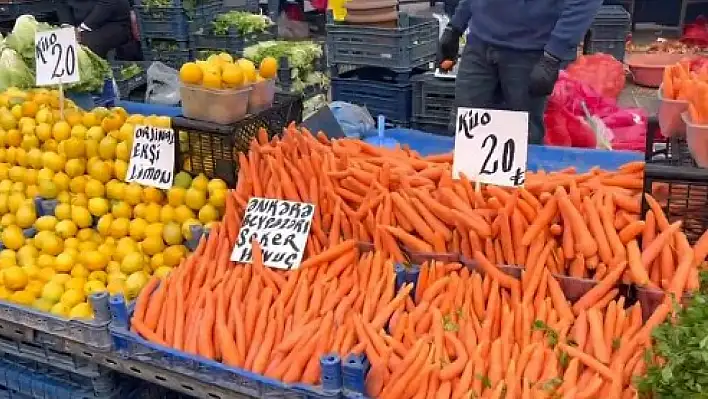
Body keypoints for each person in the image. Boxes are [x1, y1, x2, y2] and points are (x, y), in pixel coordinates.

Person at [437, 0, 604, 144]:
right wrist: (456, 26)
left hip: (529, 52)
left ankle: (526, 178)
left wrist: (553, 55)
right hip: (479, 44)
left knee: (523, 138)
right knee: (465, 133)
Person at [57, 0, 142, 60]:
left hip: (112, 21)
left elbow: (108, 3)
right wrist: (67, 27)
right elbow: (62, 4)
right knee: (60, 43)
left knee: (83, 46)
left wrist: (81, 29)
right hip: (80, 21)